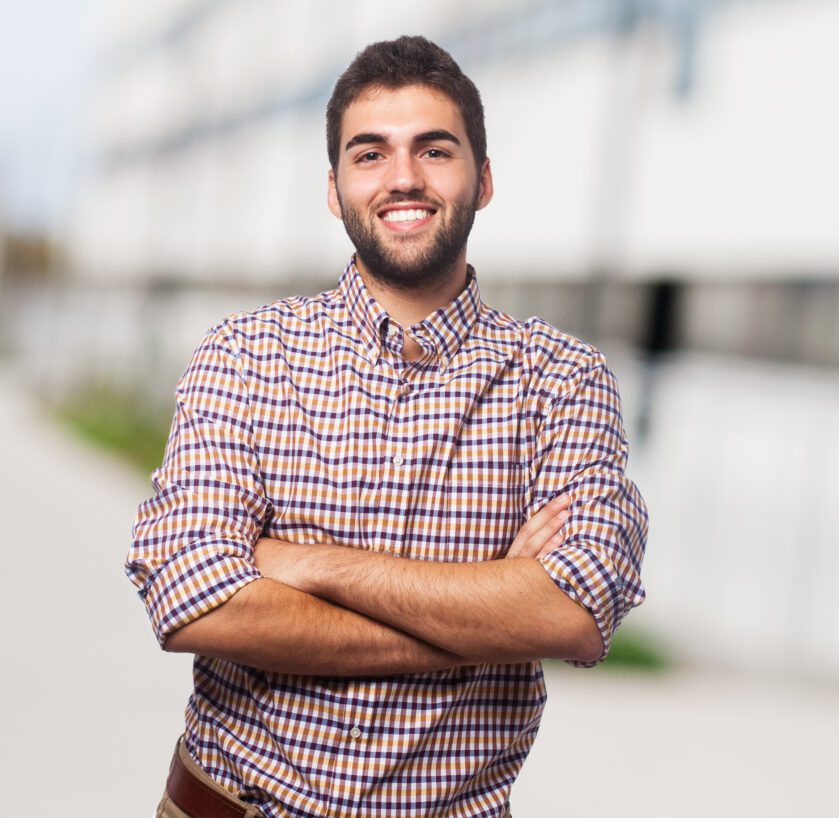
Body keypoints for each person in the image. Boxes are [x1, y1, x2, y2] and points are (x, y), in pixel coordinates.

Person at [129, 35, 647, 818]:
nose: (403, 177)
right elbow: (192, 601)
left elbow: (571, 612)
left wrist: (315, 565)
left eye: (434, 150)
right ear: (334, 189)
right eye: (370, 155)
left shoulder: (563, 382)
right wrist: (482, 619)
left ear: (485, 179)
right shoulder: (243, 355)